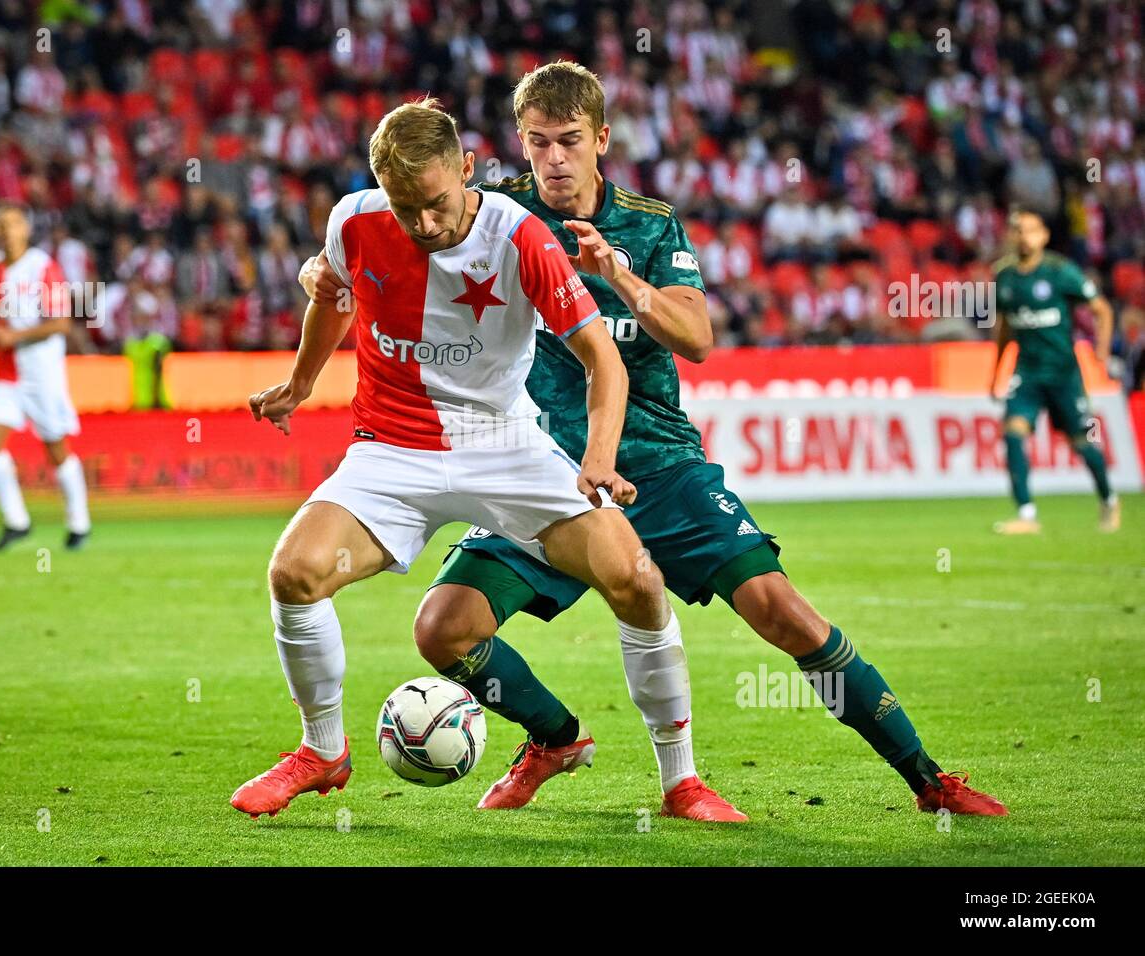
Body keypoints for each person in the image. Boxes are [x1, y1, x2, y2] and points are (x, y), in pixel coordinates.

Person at [304, 62, 1007, 820]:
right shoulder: (486, 216)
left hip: (661, 465)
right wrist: (323, 268)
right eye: (538, 142)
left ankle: (929, 779)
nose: (554, 159)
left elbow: (698, 337)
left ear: (601, 138)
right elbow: (381, 240)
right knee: (446, 628)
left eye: (570, 140)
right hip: (545, 475)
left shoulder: (650, 223)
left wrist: (623, 280)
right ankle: (551, 739)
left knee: (785, 613)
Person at [230, 100, 736, 821]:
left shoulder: (520, 236)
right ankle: (322, 750)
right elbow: (334, 297)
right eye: (407, 208)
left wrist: (596, 458)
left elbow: (604, 360)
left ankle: (681, 780)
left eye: (437, 203)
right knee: (294, 572)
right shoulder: (354, 220)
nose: (426, 224)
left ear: (467, 170)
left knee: (636, 578)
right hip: (392, 450)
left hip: (504, 444)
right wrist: (301, 383)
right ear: (380, 188)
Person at [990, 208, 1119, 534]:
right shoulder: (1004, 277)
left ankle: (1109, 500)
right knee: (1013, 432)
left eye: (1031, 230)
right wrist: (997, 372)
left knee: (1082, 441)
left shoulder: (1060, 271)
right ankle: (1027, 514)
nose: (1024, 236)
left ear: (1044, 235)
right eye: (1018, 230)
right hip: (1027, 374)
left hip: (1064, 374)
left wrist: (1101, 352)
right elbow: (1005, 328)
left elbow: (1101, 309)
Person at [0, 204, 91, 552]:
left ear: (25, 228)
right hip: (8, 371)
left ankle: (79, 524)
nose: (7, 230)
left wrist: (14, 336)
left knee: (56, 449)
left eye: (13, 223)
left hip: (43, 373)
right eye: (1, 224)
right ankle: (17, 521)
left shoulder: (43, 266)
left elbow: (61, 323)